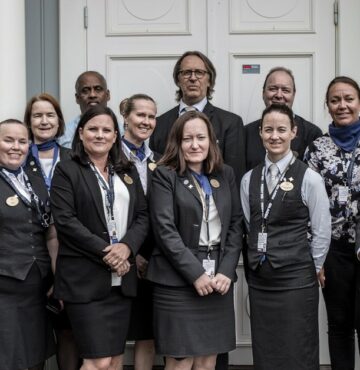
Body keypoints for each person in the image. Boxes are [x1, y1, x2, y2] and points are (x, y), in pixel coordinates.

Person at [51, 106, 149, 370]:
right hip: (84, 281)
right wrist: (109, 252)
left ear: (116, 136)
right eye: (93, 129)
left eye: (106, 130)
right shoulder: (67, 170)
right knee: (98, 360)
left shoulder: (126, 172)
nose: (100, 135)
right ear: (81, 133)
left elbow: (143, 216)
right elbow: (66, 221)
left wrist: (127, 247)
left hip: (122, 282)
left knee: (115, 359)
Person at [147, 110, 243, 370]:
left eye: (201, 137)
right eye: (187, 138)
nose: (194, 144)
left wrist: (226, 270)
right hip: (177, 280)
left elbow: (235, 225)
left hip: (217, 280)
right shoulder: (164, 175)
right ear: (176, 142)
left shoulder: (225, 174)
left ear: (212, 141)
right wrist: (195, 274)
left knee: (207, 360)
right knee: (180, 361)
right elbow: (164, 230)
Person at [240, 103, 331, 370]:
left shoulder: (310, 178)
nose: (275, 136)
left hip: (297, 278)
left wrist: (311, 267)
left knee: (298, 346)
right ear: (260, 133)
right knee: (266, 347)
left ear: (294, 132)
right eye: (268, 130)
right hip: (261, 278)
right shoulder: (249, 179)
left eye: (281, 129)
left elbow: (322, 229)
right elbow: (250, 223)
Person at [305, 76, 360, 370]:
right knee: (339, 323)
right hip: (333, 250)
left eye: (348, 99)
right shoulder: (316, 149)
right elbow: (307, 206)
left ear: (359, 102)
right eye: (335, 100)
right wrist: (317, 257)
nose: (342, 105)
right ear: (327, 106)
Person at [23, 93, 81, 370]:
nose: (44, 121)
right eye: (37, 115)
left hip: (68, 255)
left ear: (59, 121)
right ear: (29, 121)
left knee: (67, 329)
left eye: (50, 115)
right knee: (31, 332)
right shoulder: (17, 157)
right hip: (29, 257)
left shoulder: (73, 157)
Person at [0, 119, 58, 370]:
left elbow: (51, 233)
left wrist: (57, 275)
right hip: (5, 286)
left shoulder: (34, 179)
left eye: (22, 141)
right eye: (8, 140)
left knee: (35, 355)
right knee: (8, 356)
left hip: (37, 285)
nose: (16, 147)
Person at [150, 50, 246, 187]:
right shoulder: (159, 123)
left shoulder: (230, 123)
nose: (193, 78)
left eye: (199, 73)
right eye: (186, 72)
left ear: (210, 80)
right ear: (178, 80)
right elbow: (156, 173)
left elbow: (234, 177)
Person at [120, 94, 159, 370]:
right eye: (140, 115)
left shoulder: (159, 160)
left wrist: (151, 255)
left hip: (154, 258)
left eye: (151, 116)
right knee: (115, 333)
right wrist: (133, 256)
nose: (146, 121)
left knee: (148, 332)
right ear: (125, 116)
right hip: (120, 256)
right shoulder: (108, 157)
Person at [245, 66, 322, 171]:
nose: (279, 95)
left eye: (285, 90)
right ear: (263, 93)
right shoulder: (245, 133)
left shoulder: (312, 133)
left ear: (293, 95)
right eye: (273, 89)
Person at [58, 70, 111, 148]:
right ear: (77, 98)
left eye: (98, 89)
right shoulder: (64, 135)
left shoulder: (122, 131)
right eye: (85, 91)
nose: (92, 95)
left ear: (108, 95)